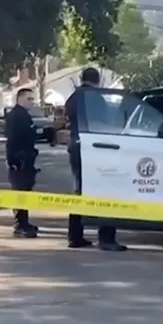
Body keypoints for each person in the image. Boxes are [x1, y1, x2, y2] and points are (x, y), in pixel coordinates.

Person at [63, 67, 127, 251]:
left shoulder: (73, 98)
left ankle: (74, 236)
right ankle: (106, 239)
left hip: (76, 146)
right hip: (96, 148)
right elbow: (105, 124)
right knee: (106, 190)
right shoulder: (95, 98)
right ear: (97, 80)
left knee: (79, 191)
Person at [4, 88, 40, 237]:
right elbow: (11, 140)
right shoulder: (16, 116)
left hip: (27, 158)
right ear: (20, 99)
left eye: (33, 99)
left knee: (26, 191)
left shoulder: (23, 115)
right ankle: (20, 225)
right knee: (20, 192)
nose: (32, 102)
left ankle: (25, 222)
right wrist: (12, 160)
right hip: (19, 160)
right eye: (29, 99)